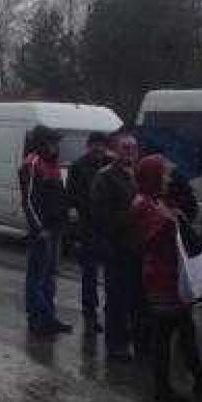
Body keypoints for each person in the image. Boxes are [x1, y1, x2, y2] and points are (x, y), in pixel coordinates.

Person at [132, 154, 202, 402]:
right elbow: (152, 239)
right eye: (163, 174)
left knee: (185, 330)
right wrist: (174, 221)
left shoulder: (154, 201)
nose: (168, 179)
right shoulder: (145, 205)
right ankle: (164, 388)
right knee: (166, 333)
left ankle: (200, 381)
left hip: (170, 276)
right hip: (163, 279)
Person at [91, 132, 141, 360]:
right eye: (125, 147)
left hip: (137, 245)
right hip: (116, 246)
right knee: (117, 297)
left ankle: (134, 339)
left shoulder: (137, 174)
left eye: (133, 147)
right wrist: (131, 213)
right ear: (115, 150)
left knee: (135, 296)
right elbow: (100, 215)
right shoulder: (106, 177)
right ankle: (115, 344)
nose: (130, 151)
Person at [19, 125, 72, 338]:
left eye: (56, 142)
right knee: (37, 278)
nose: (55, 146)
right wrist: (39, 228)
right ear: (41, 143)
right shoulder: (33, 163)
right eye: (51, 142)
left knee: (50, 277)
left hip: (55, 229)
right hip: (43, 231)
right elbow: (29, 200)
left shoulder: (52, 165)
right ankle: (36, 319)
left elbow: (58, 198)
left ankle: (48, 317)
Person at [65, 131, 112, 334]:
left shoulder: (110, 164)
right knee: (90, 272)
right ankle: (90, 311)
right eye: (95, 145)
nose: (99, 149)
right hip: (89, 226)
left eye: (102, 145)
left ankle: (111, 310)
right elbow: (72, 196)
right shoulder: (78, 167)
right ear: (89, 146)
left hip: (109, 227)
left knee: (111, 271)